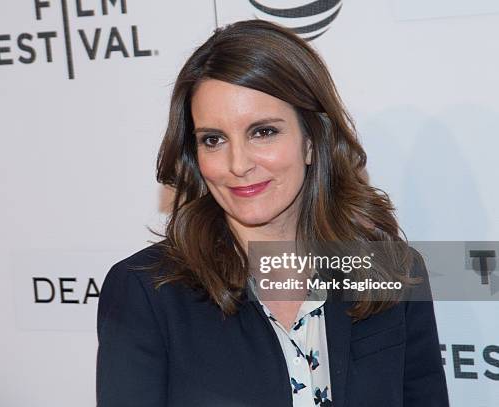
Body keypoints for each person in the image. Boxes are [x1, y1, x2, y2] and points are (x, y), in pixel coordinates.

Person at [96, 19, 449, 407]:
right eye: (213, 139)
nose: (238, 164)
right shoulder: (149, 293)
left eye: (262, 132)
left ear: (312, 141)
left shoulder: (390, 271)